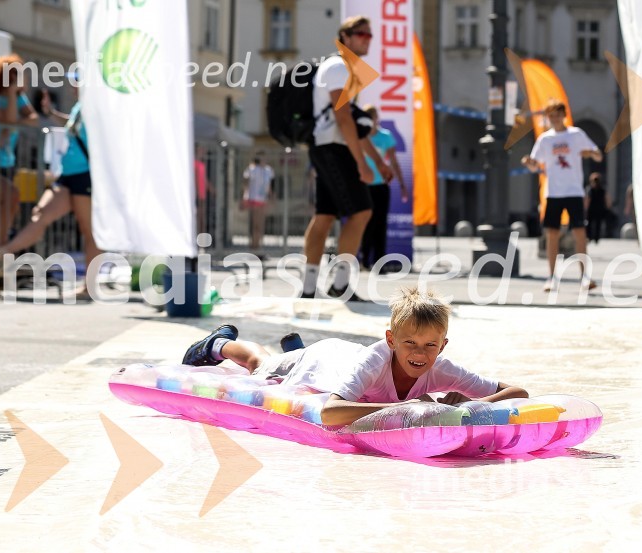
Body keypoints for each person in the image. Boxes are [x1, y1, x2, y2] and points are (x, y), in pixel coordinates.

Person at [181, 287, 529, 426]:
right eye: (410, 343)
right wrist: (405, 408)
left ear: (443, 346)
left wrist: (474, 402)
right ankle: (218, 343)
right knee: (262, 366)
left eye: (429, 346)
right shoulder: (376, 362)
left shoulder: (441, 367)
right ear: (391, 339)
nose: (420, 354)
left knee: (282, 360)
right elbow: (331, 414)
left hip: (342, 364)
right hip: (321, 363)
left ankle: (292, 348)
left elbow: (519, 393)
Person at [300, 15, 391, 301]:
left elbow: (354, 125)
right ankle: (339, 283)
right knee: (362, 210)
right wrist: (362, 164)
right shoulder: (339, 67)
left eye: (369, 35)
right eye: (361, 34)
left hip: (328, 146)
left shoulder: (343, 69)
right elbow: (343, 119)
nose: (367, 38)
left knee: (325, 215)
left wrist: (377, 161)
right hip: (332, 148)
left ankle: (308, 287)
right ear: (345, 37)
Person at [0, 77, 98, 300]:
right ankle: (0, 253)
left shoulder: (97, 106)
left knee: (89, 231)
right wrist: (52, 113)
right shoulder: (80, 105)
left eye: (77, 82)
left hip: (86, 174)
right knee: (41, 214)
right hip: (68, 174)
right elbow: (73, 126)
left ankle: (90, 287)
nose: (73, 86)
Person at [522, 100, 603, 292]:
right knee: (552, 234)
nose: (554, 119)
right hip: (554, 192)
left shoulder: (576, 134)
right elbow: (536, 166)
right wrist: (528, 162)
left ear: (563, 115)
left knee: (579, 233)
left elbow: (598, 155)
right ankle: (552, 277)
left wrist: (592, 153)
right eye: (551, 115)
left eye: (557, 114)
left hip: (574, 190)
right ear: (548, 118)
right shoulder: (545, 139)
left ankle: (584, 277)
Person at [0, 54, 39, 295]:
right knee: (11, 196)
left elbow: (34, 119)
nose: (17, 80)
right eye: (12, 74)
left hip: (6, 164)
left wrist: (14, 122)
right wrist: (12, 107)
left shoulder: (19, 98)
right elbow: (8, 121)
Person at [359, 105, 408, 270]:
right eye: (370, 116)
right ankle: (364, 260)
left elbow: (394, 162)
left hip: (380, 185)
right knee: (365, 224)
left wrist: (401, 184)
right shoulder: (360, 136)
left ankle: (379, 263)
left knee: (380, 224)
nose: (373, 120)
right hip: (364, 185)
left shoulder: (386, 137)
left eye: (374, 117)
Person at [242, 154, 274, 253]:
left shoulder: (268, 170)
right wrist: (245, 197)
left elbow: (270, 185)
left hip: (263, 199)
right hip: (254, 198)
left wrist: (271, 197)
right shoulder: (252, 169)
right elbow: (246, 183)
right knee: (256, 223)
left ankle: (258, 244)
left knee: (261, 224)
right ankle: (254, 245)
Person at [584, 172, 611, 244]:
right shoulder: (601, 189)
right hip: (599, 209)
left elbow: (587, 200)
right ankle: (596, 238)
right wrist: (608, 207)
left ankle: (589, 237)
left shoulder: (590, 189)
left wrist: (585, 208)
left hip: (592, 209)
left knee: (590, 224)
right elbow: (607, 199)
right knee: (597, 224)